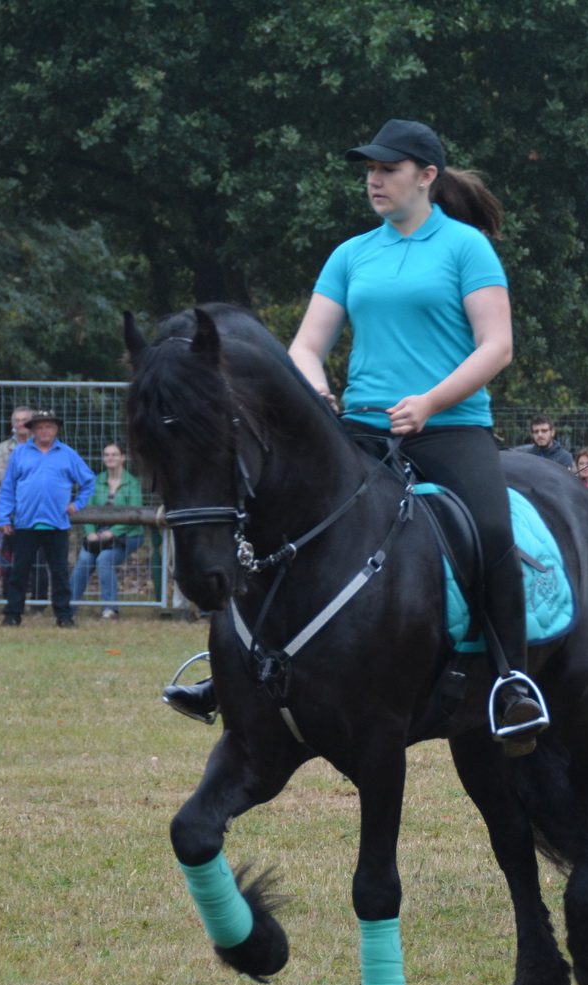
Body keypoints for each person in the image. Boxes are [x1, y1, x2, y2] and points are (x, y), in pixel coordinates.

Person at [163, 118, 548, 749]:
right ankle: (229, 670)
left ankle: (512, 683)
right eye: (369, 169)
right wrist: (312, 385)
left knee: (493, 532)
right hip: (361, 431)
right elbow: (307, 345)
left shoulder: (466, 248)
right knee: (267, 521)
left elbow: (497, 346)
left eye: (387, 169)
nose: (373, 180)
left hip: (449, 428)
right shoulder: (351, 254)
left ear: (426, 177)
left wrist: (431, 401)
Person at [0, 410, 96, 628]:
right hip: (24, 523)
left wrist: (77, 504)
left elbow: (88, 481)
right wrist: (3, 516)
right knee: (19, 571)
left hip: (57, 523)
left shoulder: (68, 454)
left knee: (59, 572)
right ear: (32, 430)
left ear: (56, 429)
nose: (44, 431)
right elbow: (8, 488)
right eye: (39, 427)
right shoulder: (20, 454)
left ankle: (64, 615)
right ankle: (12, 614)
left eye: (48, 426)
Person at [69, 441, 146, 618]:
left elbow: (134, 514)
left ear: (123, 458)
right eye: (107, 455)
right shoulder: (95, 482)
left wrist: (113, 532)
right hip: (97, 536)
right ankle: (68, 606)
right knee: (84, 560)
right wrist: (90, 533)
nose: (110, 458)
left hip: (127, 536)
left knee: (104, 559)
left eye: (114, 454)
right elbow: (86, 510)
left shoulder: (132, 483)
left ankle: (110, 608)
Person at [0, 406, 34, 600]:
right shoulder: (3, 447)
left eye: (25, 420)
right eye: (17, 420)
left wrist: (9, 468)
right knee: (7, 556)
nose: (21, 424)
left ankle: (37, 601)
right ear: (12, 424)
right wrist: (26, 471)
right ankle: (9, 598)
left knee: (36, 557)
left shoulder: (43, 446)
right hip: (8, 510)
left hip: (34, 508)